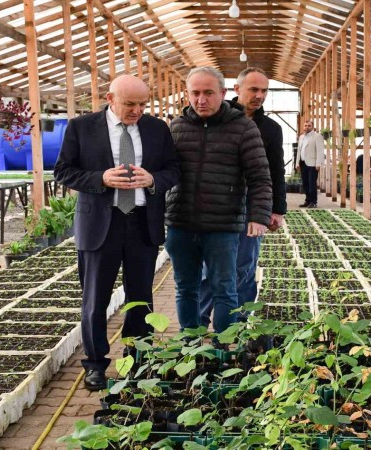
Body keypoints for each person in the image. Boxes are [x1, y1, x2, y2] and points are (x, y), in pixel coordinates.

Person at [54, 74, 180, 391]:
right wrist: (101, 178)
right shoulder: (81, 127)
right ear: (111, 99)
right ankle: (95, 364)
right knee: (95, 300)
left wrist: (152, 180)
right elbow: (63, 171)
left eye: (142, 104)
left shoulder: (156, 129)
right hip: (100, 223)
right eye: (130, 104)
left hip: (141, 222)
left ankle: (138, 359)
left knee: (141, 298)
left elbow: (173, 170)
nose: (137, 110)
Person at [165, 66, 272, 338]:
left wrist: (258, 216)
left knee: (225, 288)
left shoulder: (243, 127)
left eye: (209, 93)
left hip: (224, 225)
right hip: (181, 223)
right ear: (187, 94)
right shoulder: (176, 127)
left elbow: (260, 176)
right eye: (195, 93)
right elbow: (163, 174)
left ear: (223, 93)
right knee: (185, 287)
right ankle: (190, 344)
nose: (202, 100)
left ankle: (224, 347)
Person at [198, 67, 286, 327]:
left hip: (252, 204)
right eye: (253, 89)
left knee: (245, 267)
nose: (259, 95)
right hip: (216, 203)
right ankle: (199, 323)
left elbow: (275, 170)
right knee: (209, 268)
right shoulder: (216, 117)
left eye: (264, 91)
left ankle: (238, 325)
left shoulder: (270, 128)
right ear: (236, 90)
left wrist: (276, 209)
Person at [297, 119, 325, 208]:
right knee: (305, 183)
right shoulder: (301, 137)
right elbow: (299, 150)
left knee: (311, 183)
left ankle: (314, 202)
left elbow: (320, 151)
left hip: (312, 164)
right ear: (303, 127)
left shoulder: (317, 136)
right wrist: (297, 163)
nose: (307, 127)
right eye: (305, 125)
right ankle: (307, 200)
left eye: (309, 125)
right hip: (303, 163)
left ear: (312, 127)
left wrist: (318, 163)